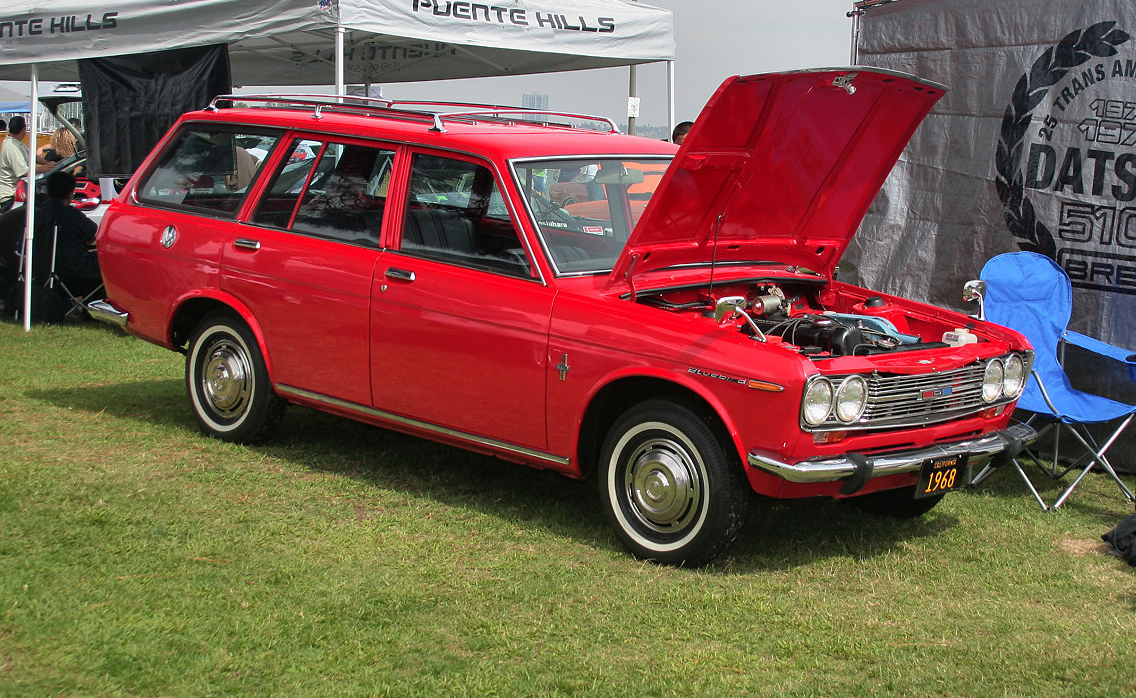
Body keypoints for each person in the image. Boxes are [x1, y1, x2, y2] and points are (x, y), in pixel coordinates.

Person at [35, 170, 101, 298]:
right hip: (73, 275)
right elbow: (92, 234)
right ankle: (90, 307)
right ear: (70, 194)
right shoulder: (70, 214)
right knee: (108, 267)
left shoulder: (38, 214)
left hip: (41, 272)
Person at [0, 115, 29, 212]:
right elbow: (24, 172)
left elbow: (31, 154)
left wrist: (47, 163)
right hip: (7, 196)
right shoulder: (12, 147)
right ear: (23, 129)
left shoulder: (16, 143)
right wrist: (42, 169)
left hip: (11, 193)